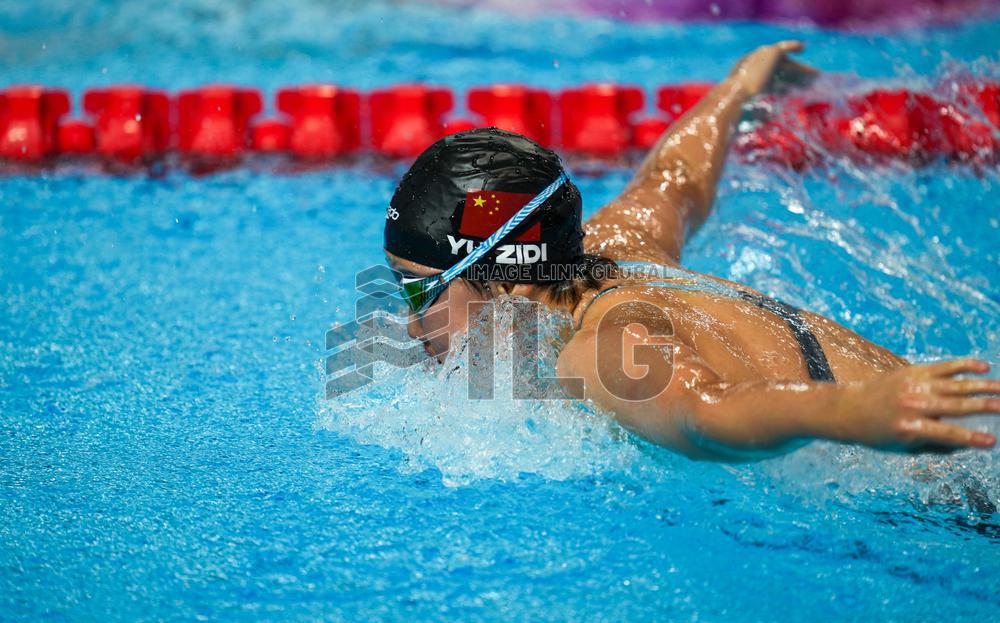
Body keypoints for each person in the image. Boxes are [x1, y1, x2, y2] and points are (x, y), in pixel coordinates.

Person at [382, 40, 1000, 461]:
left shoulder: (601, 351)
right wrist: (740, 85)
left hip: (945, 488)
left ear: (509, 279)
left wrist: (855, 411)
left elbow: (708, 413)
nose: (410, 323)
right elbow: (674, 180)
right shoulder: (616, 247)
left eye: (420, 289)